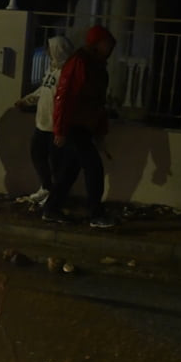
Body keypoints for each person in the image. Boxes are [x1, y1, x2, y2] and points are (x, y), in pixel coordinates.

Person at [42, 25, 117, 228]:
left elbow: (98, 102)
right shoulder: (81, 62)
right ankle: (95, 213)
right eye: (107, 44)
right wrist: (60, 129)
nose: (110, 48)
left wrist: (100, 130)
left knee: (70, 171)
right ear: (97, 44)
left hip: (83, 125)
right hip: (75, 125)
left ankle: (51, 208)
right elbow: (65, 96)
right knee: (93, 167)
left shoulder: (96, 65)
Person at [14, 34, 75, 206]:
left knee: (56, 163)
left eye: (50, 48)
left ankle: (54, 197)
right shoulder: (52, 69)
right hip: (42, 123)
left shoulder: (67, 73)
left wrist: (60, 127)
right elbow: (44, 90)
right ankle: (46, 187)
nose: (47, 52)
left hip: (55, 126)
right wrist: (26, 100)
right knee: (37, 155)